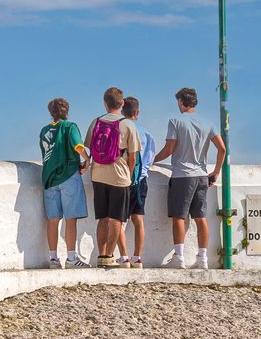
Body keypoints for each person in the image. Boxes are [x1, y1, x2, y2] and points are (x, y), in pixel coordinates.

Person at [153, 87, 226, 269]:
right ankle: (202, 259)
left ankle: (179, 258)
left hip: (182, 175)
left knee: (179, 216)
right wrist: (215, 171)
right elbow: (222, 149)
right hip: (202, 175)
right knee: (200, 218)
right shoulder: (208, 123)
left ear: (180, 102)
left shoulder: (175, 121)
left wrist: (151, 159)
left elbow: (169, 149)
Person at [85, 88, 140, 267]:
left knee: (102, 217)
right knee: (116, 218)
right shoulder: (128, 125)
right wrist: (129, 176)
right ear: (122, 103)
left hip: (98, 175)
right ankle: (109, 255)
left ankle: (101, 255)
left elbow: (90, 148)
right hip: (119, 176)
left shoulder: (96, 122)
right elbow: (132, 157)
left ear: (105, 104)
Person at [38, 98, 87, 268]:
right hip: (68, 176)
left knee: (53, 219)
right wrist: (88, 160)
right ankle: (72, 258)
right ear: (66, 110)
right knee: (70, 219)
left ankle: (53, 258)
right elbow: (78, 146)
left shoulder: (44, 131)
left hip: (50, 179)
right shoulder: (70, 127)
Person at [122, 96, 159, 268]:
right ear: (137, 112)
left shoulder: (120, 128)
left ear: (122, 110)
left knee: (119, 220)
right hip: (141, 179)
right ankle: (137, 257)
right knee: (138, 219)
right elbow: (150, 160)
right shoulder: (147, 133)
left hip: (122, 179)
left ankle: (122, 257)